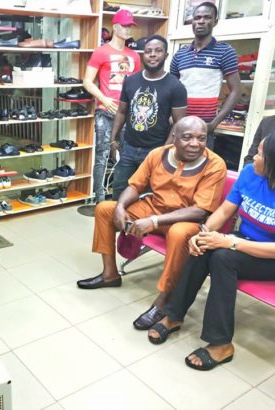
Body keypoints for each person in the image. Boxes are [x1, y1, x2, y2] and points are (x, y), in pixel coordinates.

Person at [148, 130, 275, 371]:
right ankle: (174, 315)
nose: (253, 159)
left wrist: (228, 242)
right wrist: (203, 234)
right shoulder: (250, 174)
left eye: (260, 154)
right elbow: (224, 212)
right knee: (206, 247)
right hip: (245, 241)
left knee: (222, 257)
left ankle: (220, 344)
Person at [77, 116, 227, 330]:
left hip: (187, 219)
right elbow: (135, 186)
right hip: (154, 207)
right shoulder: (158, 154)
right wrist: (120, 206)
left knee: (178, 232)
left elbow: (200, 209)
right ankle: (110, 274)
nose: (195, 144)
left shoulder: (215, 164)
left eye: (201, 138)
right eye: (187, 137)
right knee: (104, 209)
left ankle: (164, 300)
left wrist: (154, 221)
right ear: (173, 138)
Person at [109, 35, 187, 200]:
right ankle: (115, 225)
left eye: (158, 51)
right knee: (119, 191)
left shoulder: (176, 86)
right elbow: (122, 111)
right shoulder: (130, 81)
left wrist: (164, 151)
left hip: (154, 150)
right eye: (148, 51)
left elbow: (179, 123)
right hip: (128, 148)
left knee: (147, 197)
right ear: (142, 55)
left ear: (165, 55)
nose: (152, 54)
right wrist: (112, 138)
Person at [83, 9, 141, 204]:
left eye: (130, 26)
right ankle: (99, 200)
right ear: (115, 26)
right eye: (124, 25)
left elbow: (137, 85)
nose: (127, 29)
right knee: (102, 155)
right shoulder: (101, 52)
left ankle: (120, 199)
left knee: (127, 156)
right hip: (105, 111)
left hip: (127, 113)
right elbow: (88, 81)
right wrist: (104, 99)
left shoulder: (134, 56)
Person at [170, 1, 241, 150]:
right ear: (192, 21)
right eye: (197, 17)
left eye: (206, 17)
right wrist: (171, 118)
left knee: (200, 170)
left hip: (204, 126)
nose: (201, 21)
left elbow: (236, 90)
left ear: (215, 22)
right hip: (179, 124)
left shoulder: (224, 52)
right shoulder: (180, 54)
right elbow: (170, 88)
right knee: (172, 167)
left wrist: (214, 123)